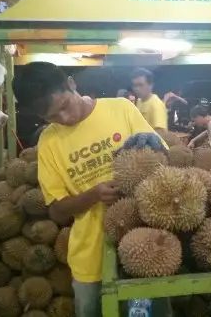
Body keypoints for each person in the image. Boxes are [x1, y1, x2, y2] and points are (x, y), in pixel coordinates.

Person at [12, 62, 166, 317]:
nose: (64, 119)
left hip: (146, 244)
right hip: (90, 258)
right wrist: (92, 195)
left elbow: (163, 163)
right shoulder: (49, 142)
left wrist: (155, 148)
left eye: (64, 106)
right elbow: (57, 212)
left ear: (71, 84)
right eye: (51, 117)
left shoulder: (121, 109)